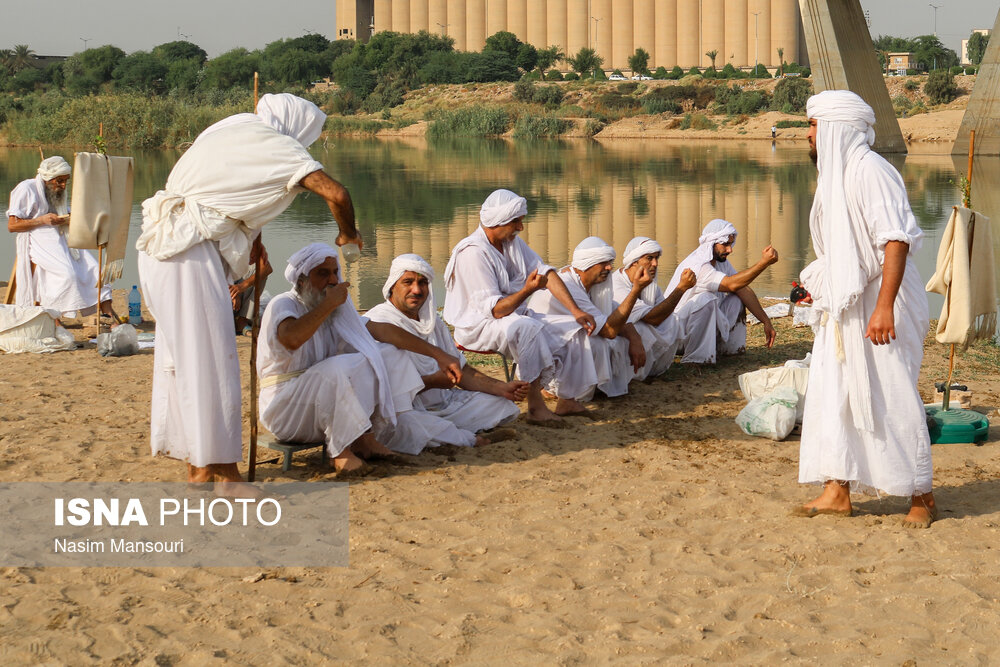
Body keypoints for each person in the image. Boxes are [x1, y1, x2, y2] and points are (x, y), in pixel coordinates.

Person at [135, 93, 364, 492]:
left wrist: (250, 238)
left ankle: (199, 469)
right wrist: (347, 232)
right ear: (296, 128)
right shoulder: (276, 143)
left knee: (184, 361)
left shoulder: (229, 128)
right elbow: (337, 194)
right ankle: (224, 476)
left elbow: (228, 194)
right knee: (211, 362)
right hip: (189, 253)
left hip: (160, 250)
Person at [794, 90, 935, 528]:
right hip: (846, 305)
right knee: (834, 393)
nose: (809, 136)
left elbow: (895, 239)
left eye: (815, 127)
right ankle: (838, 489)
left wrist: (884, 308)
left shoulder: (870, 171)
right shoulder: (835, 177)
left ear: (836, 128)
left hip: (881, 301)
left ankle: (922, 496)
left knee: (891, 395)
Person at [258, 244, 464, 470]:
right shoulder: (283, 303)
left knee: (384, 353)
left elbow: (383, 331)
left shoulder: (335, 310)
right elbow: (292, 339)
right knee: (337, 368)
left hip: (321, 410)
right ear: (301, 280)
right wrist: (328, 304)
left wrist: (439, 354)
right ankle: (342, 453)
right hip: (285, 411)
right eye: (323, 274)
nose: (333, 280)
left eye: (335, 272)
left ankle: (365, 438)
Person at [443, 189, 598, 423]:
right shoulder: (473, 253)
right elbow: (495, 311)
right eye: (516, 222)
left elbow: (545, 272)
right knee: (527, 328)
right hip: (478, 325)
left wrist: (576, 311)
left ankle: (567, 399)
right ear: (499, 222)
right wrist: (527, 290)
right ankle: (536, 407)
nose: (520, 228)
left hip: (512, 316)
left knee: (573, 328)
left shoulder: (511, 243)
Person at [367, 253, 527, 445]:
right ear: (392, 286)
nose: (416, 290)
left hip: (446, 402)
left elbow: (462, 370)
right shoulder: (378, 323)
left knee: (502, 406)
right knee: (408, 424)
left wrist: (501, 388)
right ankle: (469, 439)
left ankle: (448, 432)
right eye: (407, 282)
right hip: (406, 409)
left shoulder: (432, 322)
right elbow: (383, 393)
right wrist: (431, 382)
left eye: (423, 283)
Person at [527, 237, 647, 399]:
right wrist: (635, 291)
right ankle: (552, 388)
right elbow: (609, 330)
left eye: (610, 262)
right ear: (587, 263)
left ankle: (592, 385)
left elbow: (614, 312)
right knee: (597, 342)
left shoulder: (589, 284)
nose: (609, 267)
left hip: (562, 341)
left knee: (625, 338)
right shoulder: (568, 284)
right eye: (603, 263)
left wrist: (635, 337)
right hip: (545, 347)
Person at [7, 156, 117, 321]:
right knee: (66, 275)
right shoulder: (26, 189)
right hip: (38, 239)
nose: (63, 185)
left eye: (66, 181)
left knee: (95, 270)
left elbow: (63, 213)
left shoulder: (58, 192)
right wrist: (41, 220)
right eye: (59, 181)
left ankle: (109, 315)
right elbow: (12, 226)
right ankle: (54, 318)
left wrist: (70, 218)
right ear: (47, 178)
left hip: (63, 238)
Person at [665, 219, 778, 364]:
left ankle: (731, 351)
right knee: (706, 300)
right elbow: (731, 284)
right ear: (711, 244)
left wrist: (766, 321)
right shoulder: (698, 266)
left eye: (730, 244)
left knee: (737, 298)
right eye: (725, 244)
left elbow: (741, 288)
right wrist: (763, 263)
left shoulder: (720, 261)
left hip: (703, 329)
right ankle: (698, 360)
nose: (730, 250)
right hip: (679, 336)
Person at [612, 237, 698, 380]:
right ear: (634, 261)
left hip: (644, 334)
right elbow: (653, 318)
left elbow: (662, 315)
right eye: (649, 258)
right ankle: (634, 373)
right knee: (640, 327)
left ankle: (654, 369)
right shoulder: (617, 285)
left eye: (656, 258)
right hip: (622, 335)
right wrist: (681, 288)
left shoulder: (650, 284)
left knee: (673, 320)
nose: (655, 264)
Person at [231, 255, 273, 336]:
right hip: (218, 298)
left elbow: (267, 267)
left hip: (235, 293)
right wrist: (232, 293)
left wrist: (240, 287)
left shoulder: (245, 243)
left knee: (259, 268)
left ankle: (242, 322)